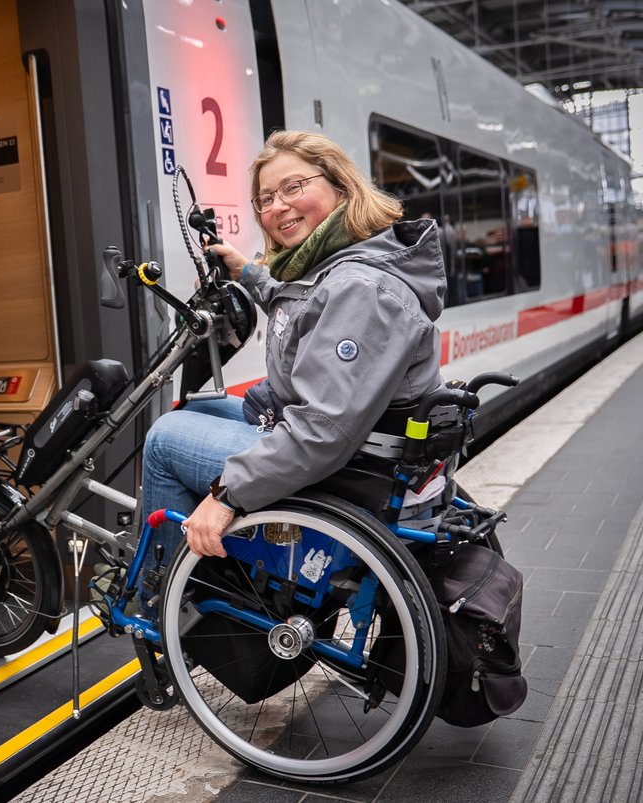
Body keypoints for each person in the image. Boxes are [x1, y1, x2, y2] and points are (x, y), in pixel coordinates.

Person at [141, 129, 446, 583]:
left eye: (293, 187)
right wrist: (249, 274)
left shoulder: (362, 290)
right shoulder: (346, 265)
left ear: (341, 186)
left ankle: (164, 589)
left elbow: (322, 431)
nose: (277, 207)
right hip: (363, 448)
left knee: (165, 438)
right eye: (265, 199)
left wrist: (226, 496)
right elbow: (309, 309)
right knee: (204, 408)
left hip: (350, 469)